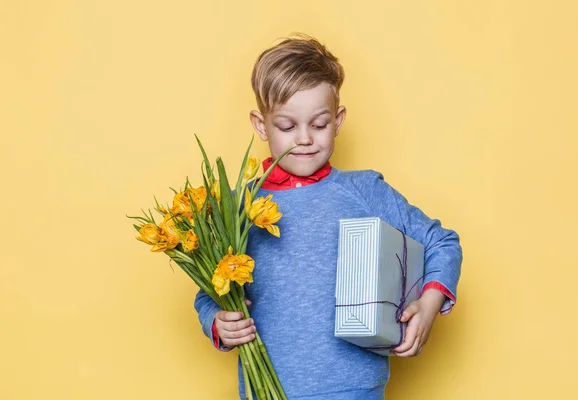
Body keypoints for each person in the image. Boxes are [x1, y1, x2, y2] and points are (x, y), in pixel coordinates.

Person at [194, 34, 462, 399]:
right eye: (287, 126)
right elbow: (210, 291)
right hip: (266, 390)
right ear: (261, 125)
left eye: (318, 124)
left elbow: (442, 242)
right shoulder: (238, 208)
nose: (304, 139)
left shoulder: (364, 190)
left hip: (354, 390)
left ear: (338, 120)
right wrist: (217, 322)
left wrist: (429, 305)